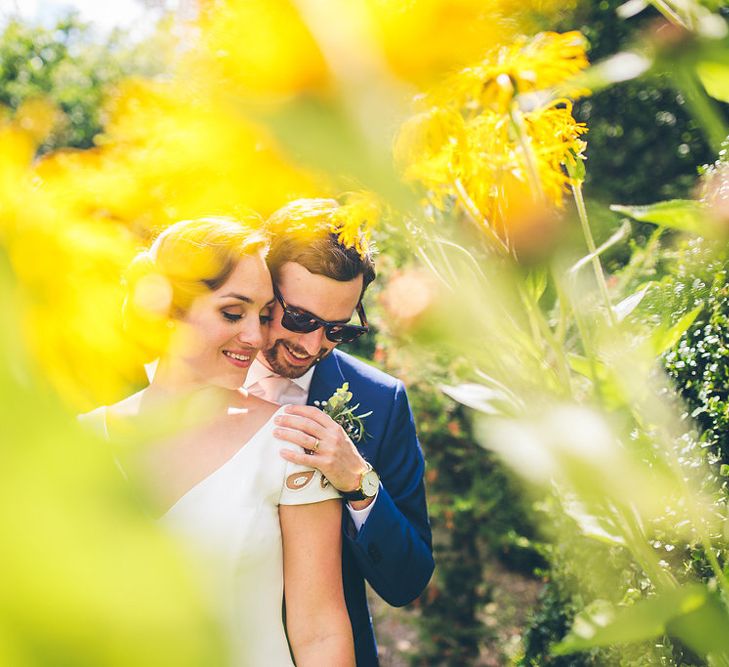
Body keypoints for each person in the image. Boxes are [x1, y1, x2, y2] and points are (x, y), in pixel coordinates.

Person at [80, 216, 355, 667]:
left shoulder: (290, 442)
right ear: (166, 309)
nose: (256, 336)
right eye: (233, 313)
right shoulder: (83, 441)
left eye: (265, 316)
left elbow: (320, 631)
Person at [244, 198, 434, 666]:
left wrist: (359, 482)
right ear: (265, 287)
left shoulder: (380, 401)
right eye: (300, 319)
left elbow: (407, 581)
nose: (312, 346)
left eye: (336, 330)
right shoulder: (194, 375)